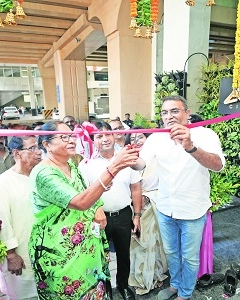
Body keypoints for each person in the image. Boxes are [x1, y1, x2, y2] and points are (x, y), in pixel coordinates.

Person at [28, 121, 142, 299]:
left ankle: (122, 285)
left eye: (72, 136)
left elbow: (85, 191)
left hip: (84, 244)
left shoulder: (70, 166)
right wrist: (114, 167)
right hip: (58, 252)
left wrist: (97, 206)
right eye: (64, 137)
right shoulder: (45, 174)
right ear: (46, 144)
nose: (71, 140)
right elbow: (81, 201)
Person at [139, 95, 225, 300]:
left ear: (187, 113)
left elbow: (218, 165)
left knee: (190, 256)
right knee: (171, 253)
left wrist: (190, 147)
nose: (169, 116)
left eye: (175, 111)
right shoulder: (157, 137)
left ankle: (185, 294)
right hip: (165, 206)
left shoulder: (205, 134)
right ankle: (176, 285)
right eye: (164, 112)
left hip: (193, 208)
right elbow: (141, 163)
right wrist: (130, 160)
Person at [78, 122, 142, 300]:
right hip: (98, 218)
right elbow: (83, 194)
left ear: (115, 136)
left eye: (108, 134)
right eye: (99, 136)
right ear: (93, 140)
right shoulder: (86, 164)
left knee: (124, 254)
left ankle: (123, 285)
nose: (105, 139)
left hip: (123, 215)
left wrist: (137, 215)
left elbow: (136, 188)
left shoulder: (127, 159)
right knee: (100, 257)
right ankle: (104, 290)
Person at [0, 136, 42, 300]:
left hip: (46, 247)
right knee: (26, 292)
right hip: (21, 251)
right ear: (17, 154)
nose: (39, 152)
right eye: (32, 148)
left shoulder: (41, 175)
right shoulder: (4, 182)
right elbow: (0, 220)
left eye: (38, 147)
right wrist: (11, 254)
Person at [125, 127, 169, 295]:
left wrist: (147, 197)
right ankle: (140, 278)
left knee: (153, 242)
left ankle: (156, 276)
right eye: (133, 138)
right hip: (132, 206)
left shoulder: (157, 157)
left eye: (141, 137)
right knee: (137, 243)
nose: (138, 140)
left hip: (153, 203)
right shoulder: (128, 159)